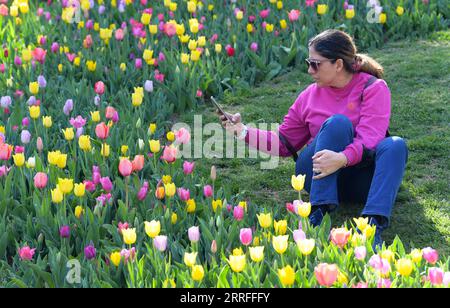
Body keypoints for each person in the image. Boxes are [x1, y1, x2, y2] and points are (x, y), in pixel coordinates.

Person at [218, 29, 408, 250]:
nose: (309, 70)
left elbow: (371, 139)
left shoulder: (372, 88)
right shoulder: (309, 95)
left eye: (315, 64)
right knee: (337, 124)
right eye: (309, 62)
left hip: (361, 180)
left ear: (338, 64)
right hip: (317, 174)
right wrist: (242, 131)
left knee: (395, 145)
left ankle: (371, 226)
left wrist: (342, 158)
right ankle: (317, 213)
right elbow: (284, 142)